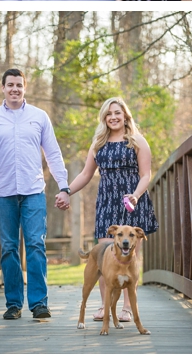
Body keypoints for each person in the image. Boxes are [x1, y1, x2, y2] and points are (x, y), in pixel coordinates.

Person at [0, 68, 72, 320]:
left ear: (25, 88)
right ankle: (14, 303)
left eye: (19, 85)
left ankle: (39, 303)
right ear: (2, 88)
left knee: (36, 245)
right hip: (3, 193)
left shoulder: (39, 116)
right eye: (10, 85)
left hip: (33, 191)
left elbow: (53, 153)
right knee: (8, 248)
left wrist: (64, 186)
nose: (15, 89)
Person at [67, 96, 158, 323]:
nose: (113, 117)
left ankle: (127, 308)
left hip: (131, 201)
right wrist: (66, 191)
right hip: (106, 201)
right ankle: (105, 306)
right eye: (109, 114)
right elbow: (86, 174)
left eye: (117, 112)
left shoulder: (137, 140)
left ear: (125, 115)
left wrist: (136, 196)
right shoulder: (98, 143)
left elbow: (146, 175)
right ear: (104, 118)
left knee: (128, 256)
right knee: (105, 255)